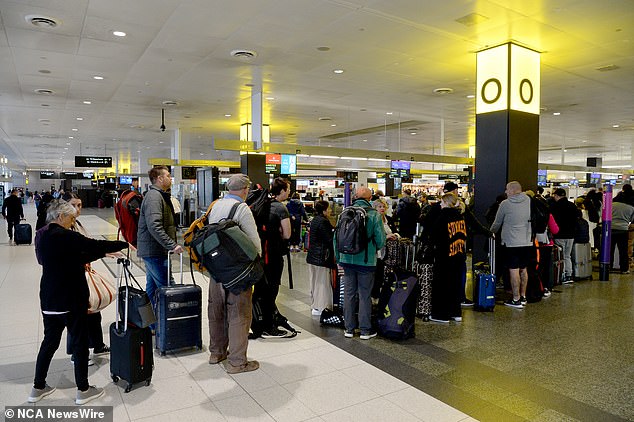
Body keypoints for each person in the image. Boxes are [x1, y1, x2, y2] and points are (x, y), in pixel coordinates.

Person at [29, 200, 127, 405]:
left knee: (49, 342)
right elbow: (93, 246)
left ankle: (38, 387)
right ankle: (83, 389)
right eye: (71, 218)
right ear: (60, 216)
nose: (73, 222)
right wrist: (124, 243)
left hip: (49, 299)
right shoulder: (67, 236)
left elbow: (78, 254)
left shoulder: (42, 236)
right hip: (72, 298)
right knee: (80, 343)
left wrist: (101, 253)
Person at [207, 174, 260, 374]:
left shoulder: (216, 205)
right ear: (246, 189)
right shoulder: (242, 208)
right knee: (239, 313)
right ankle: (237, 362)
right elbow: (254, 242)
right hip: (236, 270)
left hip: (216, 266)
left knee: (216, 309)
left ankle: (217, 353)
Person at [63, 193, 111, 365]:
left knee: (94, 311)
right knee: (78, 316)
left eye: (80, 205)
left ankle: (97, 345)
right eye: (73, 205)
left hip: (84, 273)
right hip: (72, 278)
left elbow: (87, 244)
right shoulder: (63, 227)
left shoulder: (77, 224)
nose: (77, 209)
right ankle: (77, 353)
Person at [334, 187, 386, 339]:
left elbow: (335, 238)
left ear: (355, 197)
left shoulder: (344, 213)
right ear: (370, 199)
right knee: (364, 295)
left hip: (346, 260)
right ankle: (365, 330)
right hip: (366, 261)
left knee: (349, 294)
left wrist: (339, 258)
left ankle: (349, 329)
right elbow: (381, 240)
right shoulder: (374, 215)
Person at [136, 166, 183, 315]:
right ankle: (171, 323)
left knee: (152, 288)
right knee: (168, 288)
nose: (170, 178)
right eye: (168, 176)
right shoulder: (154, 197)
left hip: (154, 250)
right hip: (155, 251)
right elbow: (154, 225)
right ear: (160, 178)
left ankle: (151, 324)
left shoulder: (159, 195)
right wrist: (172, 245)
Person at [254, 177, 292, 337]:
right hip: (274, 255)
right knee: (272, 289)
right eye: (288, 189)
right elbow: (287, 234)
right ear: (282, 191)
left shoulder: (263, 204)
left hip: (261, 254)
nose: (289, 192)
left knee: (262, 289)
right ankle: (268, 325)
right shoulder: (281, 209)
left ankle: (258, 320)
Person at [490, 181, 532, 308]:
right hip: (527, 241)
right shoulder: (529, 201)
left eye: (507, 189)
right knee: (523, 269)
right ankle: (523, 296)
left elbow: (497, 223)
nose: (505, 192)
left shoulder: (505, 204)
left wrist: (491, 232)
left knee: (513, 270)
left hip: (511, 242)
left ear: (513, 190)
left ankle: (516, 299)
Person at [425, 194, 467, 323]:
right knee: (455, 284)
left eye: (441, 202)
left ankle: (440, 315)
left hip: (444, 257)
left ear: (446, 203)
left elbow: (432, 236)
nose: (440, 205)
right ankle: (455, 312)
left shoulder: (443, 217)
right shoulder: (460, 217)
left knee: (441, 285)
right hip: (458, 255)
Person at [306, 200, 335, 316]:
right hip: (321, 257)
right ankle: (321, 307)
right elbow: (329, 239)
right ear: (324, 210)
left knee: (315, 282)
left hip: (313, 256)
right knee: (322, 283)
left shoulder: (315, 220)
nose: (331, 210)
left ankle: (315, 305)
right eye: (329, 208)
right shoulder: (323, 222)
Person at [372, 197, 399, 299]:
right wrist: (385, 237)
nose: (382, 208)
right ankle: (374, 297)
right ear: (375, 208)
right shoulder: (374, 220)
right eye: (379, 206)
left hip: (390, 253)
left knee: (385, 276)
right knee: (377, 276)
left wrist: (395, 235)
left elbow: (396, 231)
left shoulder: (389, 219)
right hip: (377, 253)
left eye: (384, 206)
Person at [550, 188, 578, 284]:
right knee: (567, 255)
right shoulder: (573, 206)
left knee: (560, 256)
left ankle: (561, 275)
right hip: (570, 235)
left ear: (557, 196)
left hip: (559, 235)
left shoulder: (554, 206)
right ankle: (569, 275)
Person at [611, 195, 634, 274]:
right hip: (623, 230)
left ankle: (608, 267)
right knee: (623, 251)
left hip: (611, 229)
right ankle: (624, 269)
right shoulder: (630, 208)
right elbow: (631, 219)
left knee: (610, 249)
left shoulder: (610, 205)